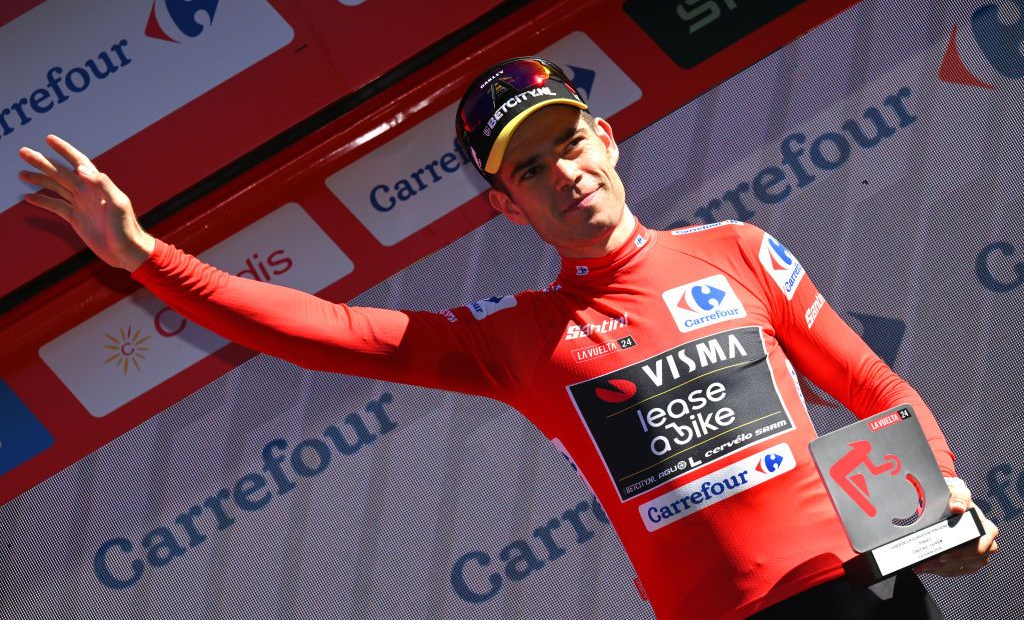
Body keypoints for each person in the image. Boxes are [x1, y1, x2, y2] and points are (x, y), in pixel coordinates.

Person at [18, 57, 998, 619]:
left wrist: (942, 503)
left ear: (604, 139)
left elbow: (869, 383)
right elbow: (329, 330)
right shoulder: (519, 336)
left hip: (858, 593)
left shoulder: (736, 252)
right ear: (507, 208)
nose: (563, 172)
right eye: (529, 170)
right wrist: (143, 253)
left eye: (567, 142)